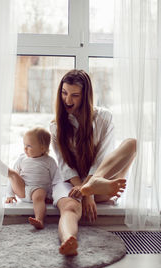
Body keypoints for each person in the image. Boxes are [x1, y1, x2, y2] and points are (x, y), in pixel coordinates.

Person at [50, 69, 136, 253]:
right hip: (70, 181)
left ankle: (96, 185)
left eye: (75, 95)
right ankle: (69, 240)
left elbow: (102, 158)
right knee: (71, 208)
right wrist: (83, 190)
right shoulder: (56, 126)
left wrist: (89, 191)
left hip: (99, 178)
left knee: (132, 144)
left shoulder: (104, 117)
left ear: (85, 96)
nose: (68, 100)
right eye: (64, 93)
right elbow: (65, 166)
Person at [0, 127, 62, 230]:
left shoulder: (49, 161)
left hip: (38, 190)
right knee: (13, 174)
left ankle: (39, 220)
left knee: (39, 196)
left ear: (42, 148)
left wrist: (51, 195)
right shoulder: (21, 159)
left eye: (29, 146)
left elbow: (55, 179)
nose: (25, 149)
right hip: (23, 189)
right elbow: (13, 179)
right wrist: (10, 194)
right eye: (24, 145)